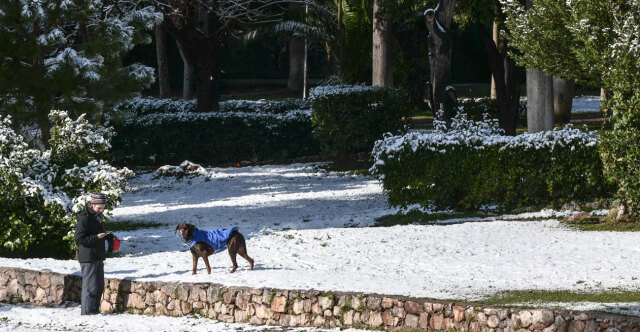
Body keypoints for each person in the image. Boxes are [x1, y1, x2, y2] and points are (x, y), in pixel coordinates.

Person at [75, 192, 109, 315]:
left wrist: (108, 238)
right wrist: (96, 237)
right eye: (99, 208)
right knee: (90, 288)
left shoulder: (97, 217)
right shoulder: (85, 217)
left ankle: (94, 311)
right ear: (92, 204)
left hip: (98, 256)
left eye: (103, 208)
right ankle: (87, 313)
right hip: (88, 257)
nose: (101, 210)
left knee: (99, 286)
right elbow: (79, 239)